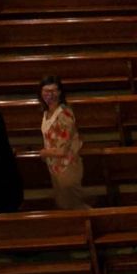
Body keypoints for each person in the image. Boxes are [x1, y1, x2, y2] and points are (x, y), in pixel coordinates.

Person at [37, 76, 89, 210]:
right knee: (63, 204)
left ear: (60, 92)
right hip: (55, 167)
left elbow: (62, 150)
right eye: (46, 91)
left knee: (74, 206)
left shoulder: (64, 115)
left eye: (53, 91)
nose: (49, 95)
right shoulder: (47, 112)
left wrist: (44, 152)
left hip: (67, 167)